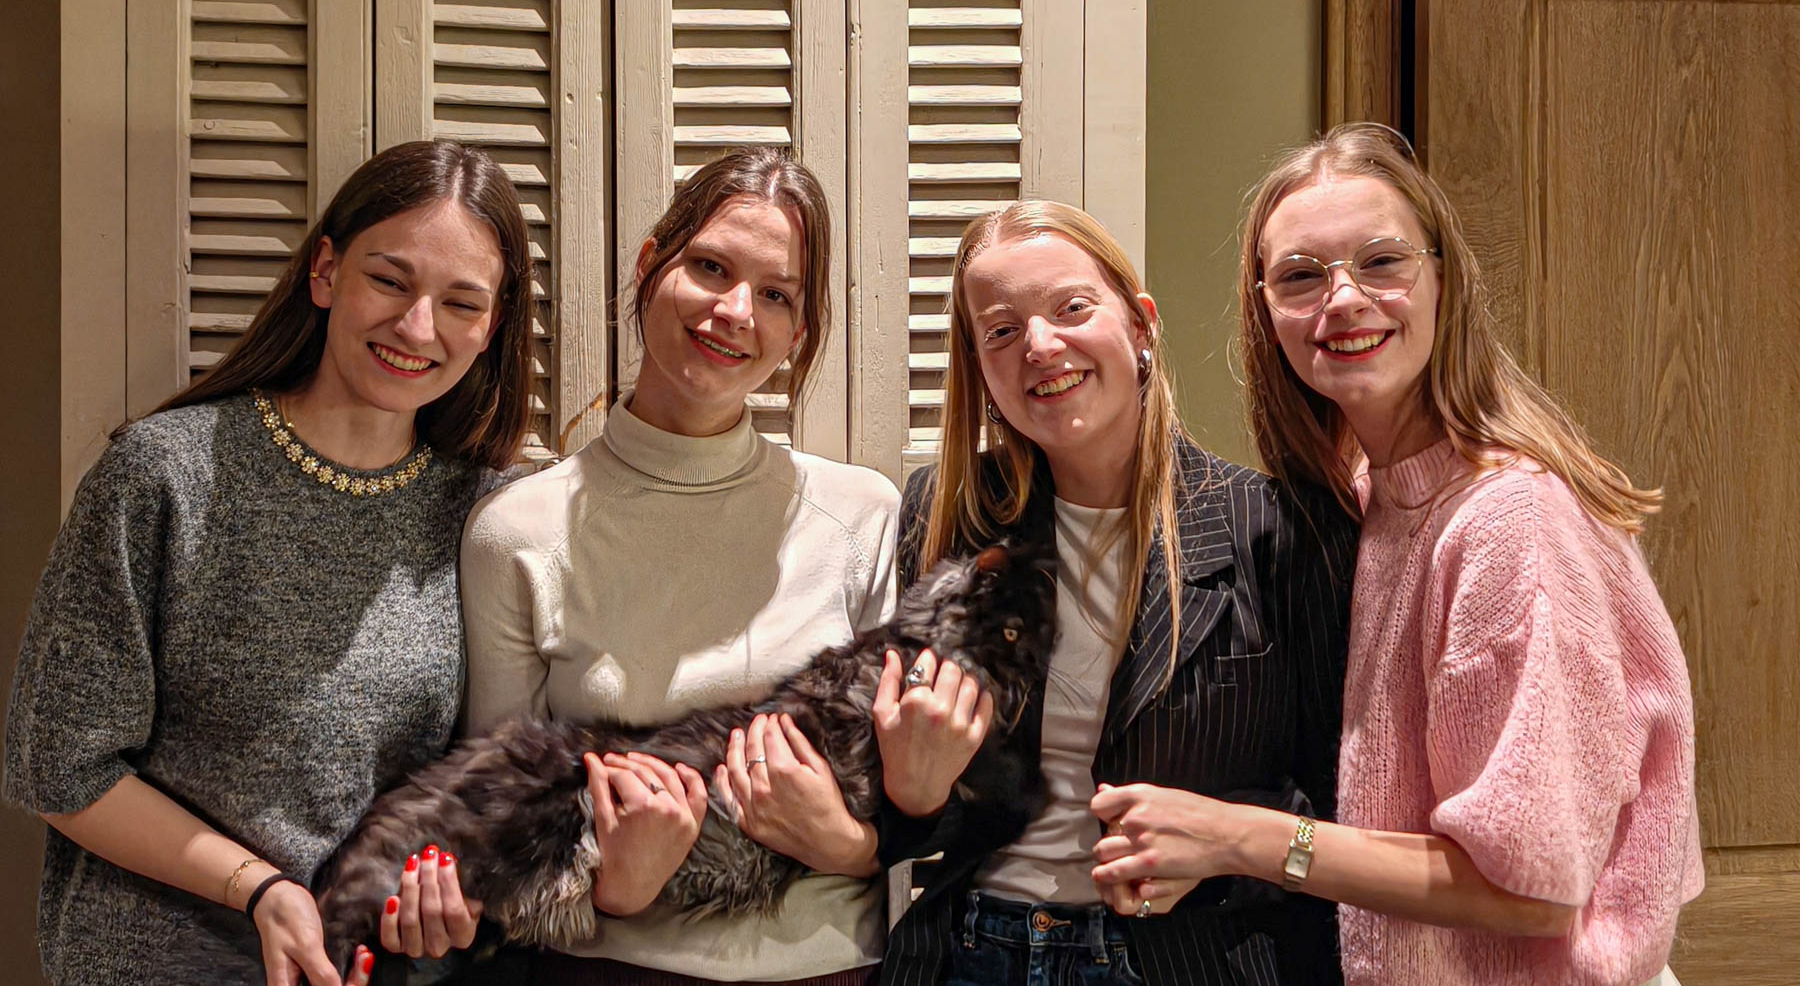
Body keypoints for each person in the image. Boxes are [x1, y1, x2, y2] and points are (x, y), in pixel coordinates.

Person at [1099, 122, 1703, 986]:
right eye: (1301, 276)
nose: (1343, 298)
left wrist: (1239, 837)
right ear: (1266, 313)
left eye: (1382, 261)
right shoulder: (1371, 496)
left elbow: (1532, 889)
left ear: (1443, 279)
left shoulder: (1510, 523)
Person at [2, 139, 537, 986]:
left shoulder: (492, 517)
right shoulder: (166, 473)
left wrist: (457, 888)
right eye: (389, 280)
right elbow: (60, 764)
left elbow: (498, 777)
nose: (417, 327)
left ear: (491, 327)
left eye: (460, 302)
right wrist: (259, 888)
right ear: (325, 272)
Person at [404, 147, 899, 985]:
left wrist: (853, 845)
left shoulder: (861, 518)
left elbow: (913, 792)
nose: (735, 310)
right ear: (650, 266)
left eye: (776, 294)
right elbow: (499, 839)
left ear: (798, 333)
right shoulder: (517, 534)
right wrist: (618, 888)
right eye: (710, 267)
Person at [877, 199, 1357, 985]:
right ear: (980, 367)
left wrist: (1226, 848)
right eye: (1001, 330)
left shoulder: (1279, 529)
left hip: (1185, 959)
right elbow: (904, 821)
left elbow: (1344, 810)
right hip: (971, 951)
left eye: (1072, 308)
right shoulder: (944, 516)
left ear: (1141, 326)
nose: (1039, 345)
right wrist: (913, 792)